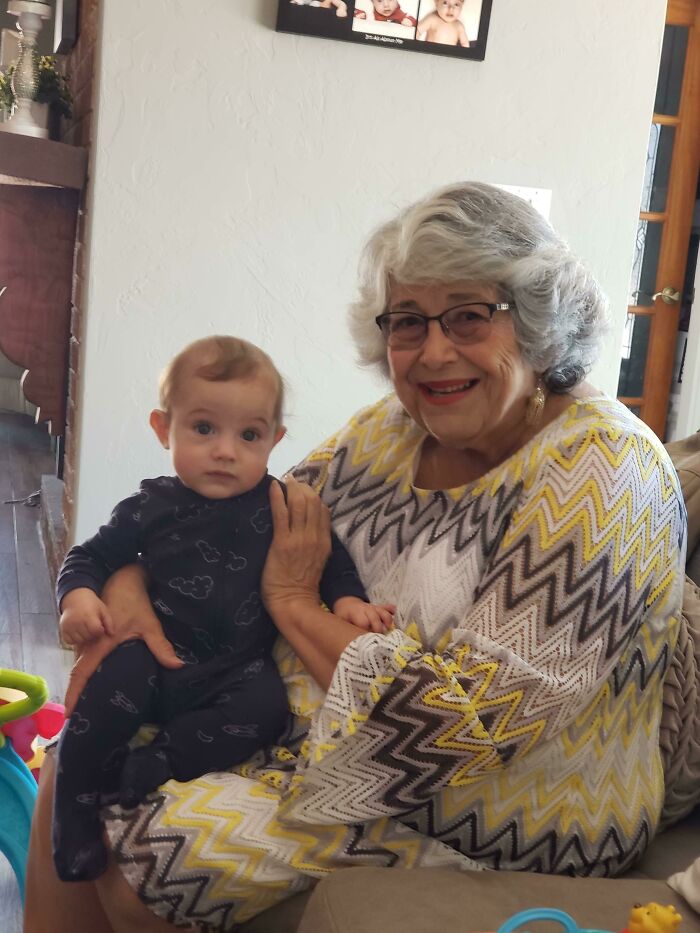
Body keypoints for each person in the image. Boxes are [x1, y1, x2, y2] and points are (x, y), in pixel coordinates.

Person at [25, 182, 686, 932]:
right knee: (71, 763)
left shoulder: (605, 471)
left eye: (470, 315)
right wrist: (128, 582)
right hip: (307, 730)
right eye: (409, 322)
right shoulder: (393, 430)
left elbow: (461, 724)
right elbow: (233, 519)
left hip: (502, 803)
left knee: (148, 861)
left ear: (537, 321)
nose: (435, 350)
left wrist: (296, 606)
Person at [51, 335, 392, 883]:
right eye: (203, 428)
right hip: (151, 657)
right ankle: (74, 811)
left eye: (249, 435)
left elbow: (329, 560)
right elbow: (88, 556)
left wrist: (349, 600)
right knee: (102, 697)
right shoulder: (149, 505)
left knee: (266, 710)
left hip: (234, 670)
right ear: (164, 429)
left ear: (275, 439)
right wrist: (79, 599)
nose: (226, 450)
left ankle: (158, 761)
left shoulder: (279, 505)